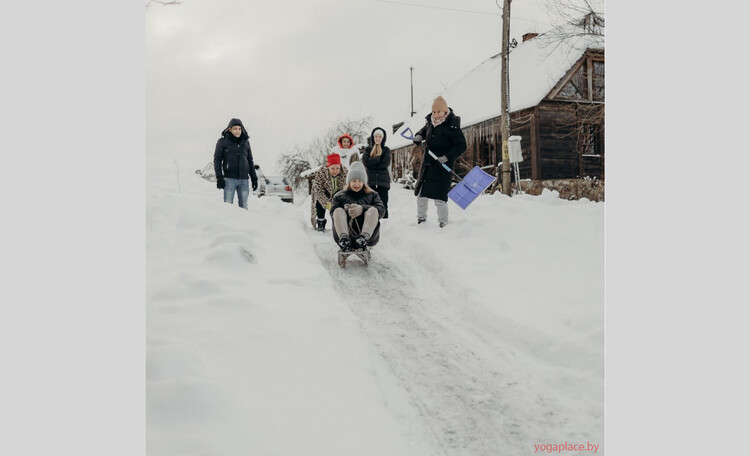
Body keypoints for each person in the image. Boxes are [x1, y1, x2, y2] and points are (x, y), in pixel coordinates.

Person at [412, 96, 467, 227]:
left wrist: (447, 156)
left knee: (440, 198)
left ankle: (443, 223)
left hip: (443, 166)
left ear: (445, 112)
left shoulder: (452, 126)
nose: (436, 115)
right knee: (421, 195)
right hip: (428, 164)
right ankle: (421, 220)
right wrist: (419, 135)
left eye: (439, 112)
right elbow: (423, 131)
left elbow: (461, 146)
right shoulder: (430, 122)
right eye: (434, 112)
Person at [330, 161, 385, 251]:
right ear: (349, 182)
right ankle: (344, 239)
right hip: (345, 232)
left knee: (374, 210)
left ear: (364, 182)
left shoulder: (373, 195)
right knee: (337, 210)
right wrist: (346, 210)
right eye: (354, 181)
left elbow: (382, 211)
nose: (357, 184)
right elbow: (333, 213)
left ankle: (362, 239)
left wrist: (363, 209)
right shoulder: (339, 196)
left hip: (368, 236)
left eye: (360, 181)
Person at [213, 118, 258, 209]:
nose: (238, 131)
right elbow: (217, 160)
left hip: (244, 180)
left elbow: (250, 161)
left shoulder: (246, 143)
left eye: (239, 129)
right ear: (230, 129)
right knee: (228, 206)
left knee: (244, 206)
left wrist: (254, 178)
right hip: (229, 179)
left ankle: (243, 223)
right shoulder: (222, 142)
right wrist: (219, 177)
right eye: (235, 129)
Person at [310, 153, 348, 231]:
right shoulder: (321, 173)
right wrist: (327, 204)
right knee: (319, 203)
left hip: (338, 191)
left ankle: (340, 222)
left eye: (337, 168)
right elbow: (319, 190)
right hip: (324, 191)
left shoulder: (345, 172)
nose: (335, 171)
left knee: (340, 205)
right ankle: (321, 221)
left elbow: (347, 188)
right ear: (328, 167)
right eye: (332, 168)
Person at [361, 127, 391, 219]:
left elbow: (385, 163)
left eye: (379, 137)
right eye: (376, 136)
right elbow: (366, 162)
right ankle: (370, 220)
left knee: (383, 203)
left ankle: (385, 222)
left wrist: (372, 162)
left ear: (383, 138)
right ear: (373, 138)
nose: (377, 138)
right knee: (370, 202)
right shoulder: (368, 149)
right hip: (370, 182)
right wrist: (378, 158)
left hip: (383, 182)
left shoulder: (386, 150)